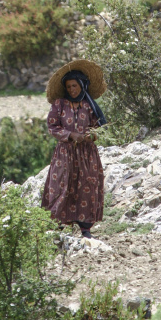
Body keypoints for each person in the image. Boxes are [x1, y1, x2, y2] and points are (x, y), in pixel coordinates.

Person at [41, 59, 107, 239]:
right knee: (62, 186)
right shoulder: (59, 104)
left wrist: (89, 136)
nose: (71, 90)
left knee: (87, 185)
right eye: (69, 87)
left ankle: (86, 228)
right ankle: (57, 225)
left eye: (75, 86)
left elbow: (98, 128)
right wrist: (71, 135)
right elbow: (52, 127)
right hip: (65, 154)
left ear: (82, 85)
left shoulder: (89, 106)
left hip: (87, 155)